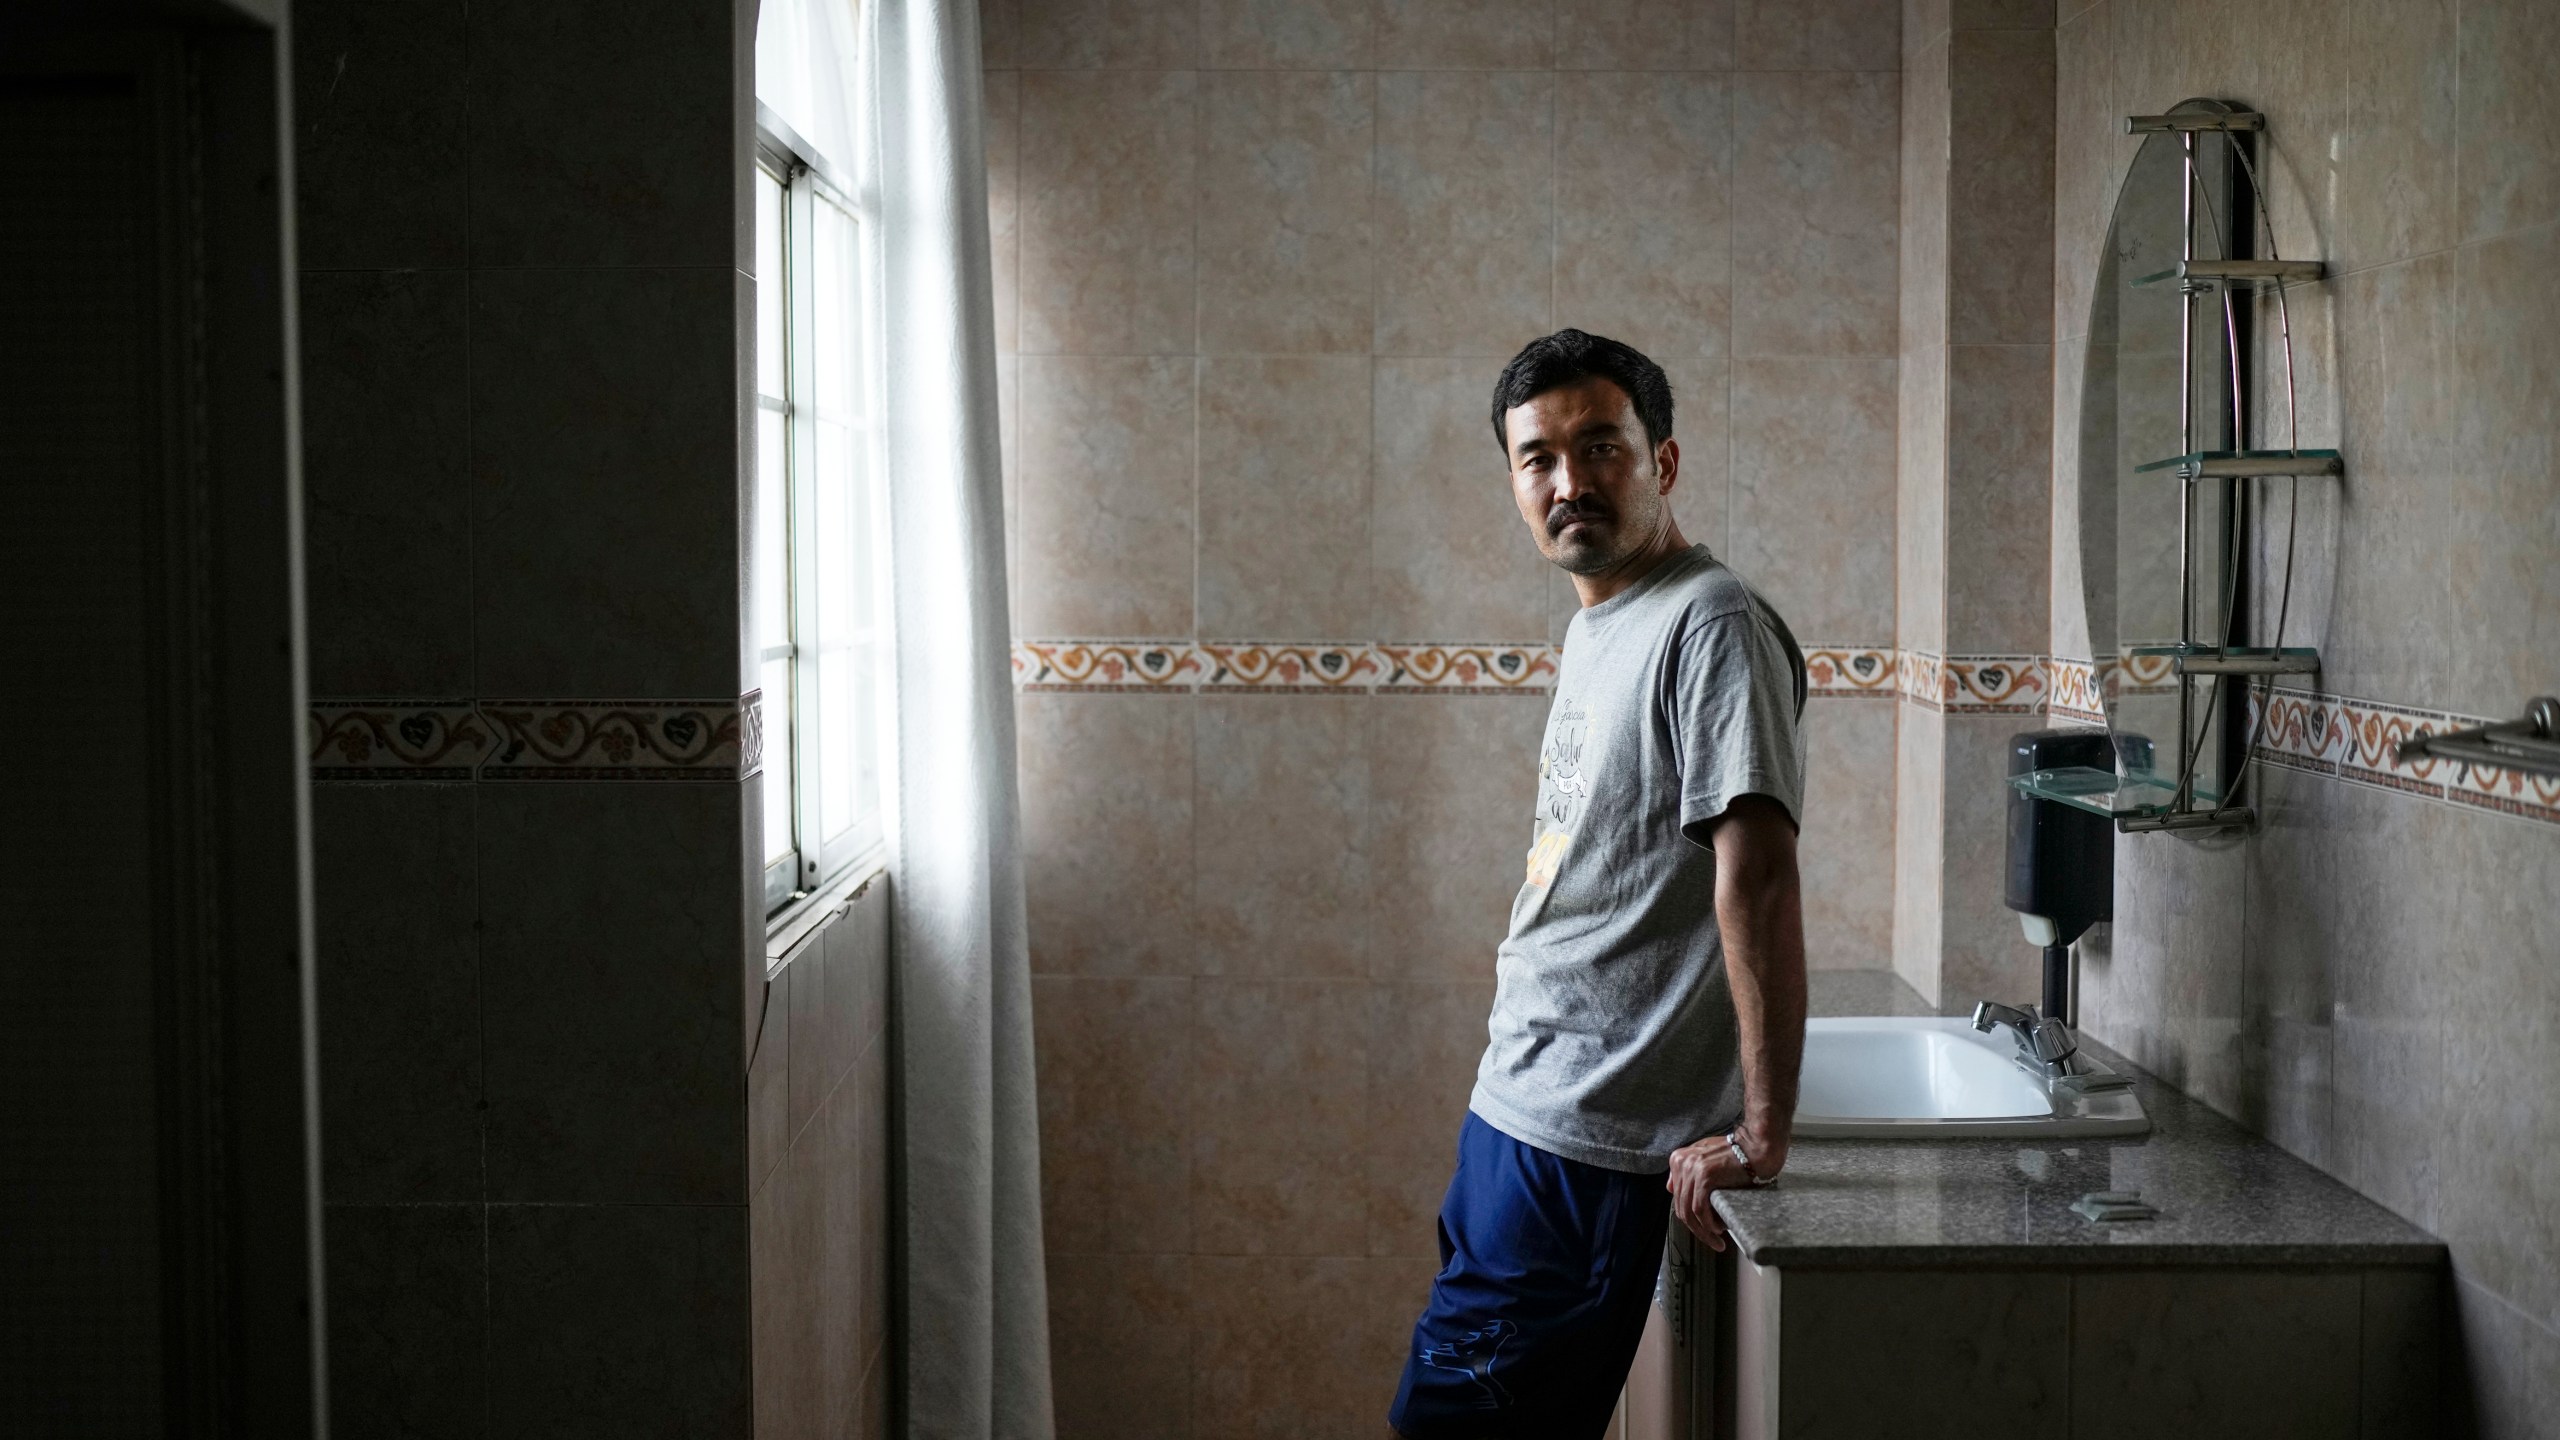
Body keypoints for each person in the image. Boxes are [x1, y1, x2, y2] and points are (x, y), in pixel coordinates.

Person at [1387, 329, 1810, 1439]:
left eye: (1599, 447)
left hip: (1588, 1138)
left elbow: (1756, 879)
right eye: (1537, 459)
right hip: (1519, 1107)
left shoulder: (1708, 621)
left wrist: (1765, 1128)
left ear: (1660, 462)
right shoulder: (1604, 621)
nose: (1568, 482)